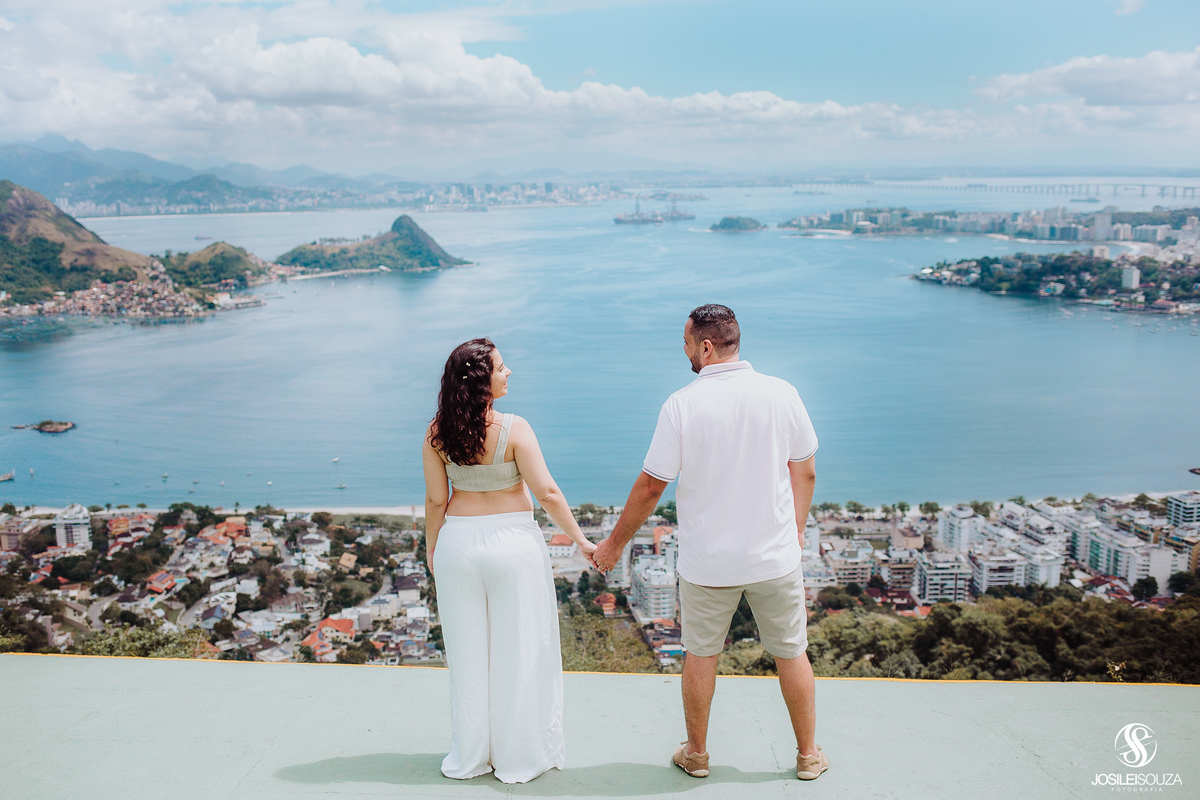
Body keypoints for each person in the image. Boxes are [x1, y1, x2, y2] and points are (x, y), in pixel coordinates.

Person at [590, 304, 828, 781]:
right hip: (773, 557)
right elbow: (805, 470)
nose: (683, 352)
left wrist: (614, 545)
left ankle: (696, 754)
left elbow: (652, 486)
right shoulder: (782, 394)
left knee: (701, 653)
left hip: (708, 562)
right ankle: (807, 756)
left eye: (685, 344)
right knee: (790, 651)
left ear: (705, 345)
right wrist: (796, 529)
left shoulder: (681, 404)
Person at [423, 338, 596, 784]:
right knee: (520, 651)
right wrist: (582, 541)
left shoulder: (437, 432)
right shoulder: (515, 429)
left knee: (467, 655)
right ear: (483, 379)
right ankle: (517, 757)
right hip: (513, 546)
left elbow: (435, 501)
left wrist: (432, 550)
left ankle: (471, 756)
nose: (509, 371)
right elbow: (549, 494)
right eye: (502, 366)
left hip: (457, 546)